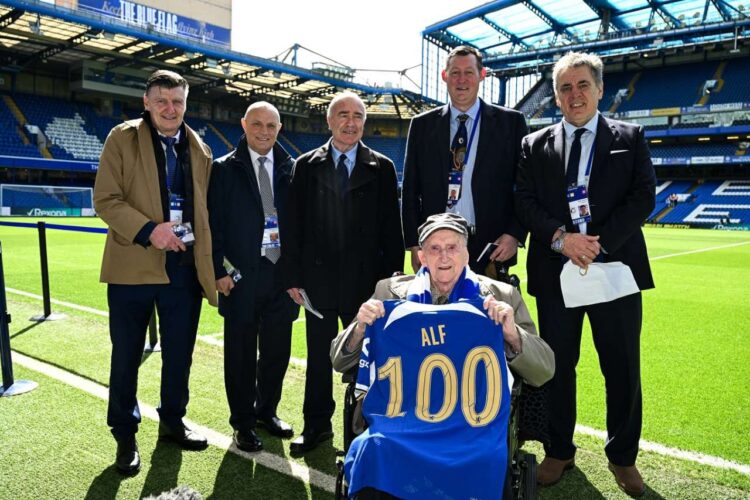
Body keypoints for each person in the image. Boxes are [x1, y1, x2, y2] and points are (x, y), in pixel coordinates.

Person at [514, 51, 656, 497]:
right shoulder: (534, 144)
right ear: (555, 96)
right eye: (564, 87)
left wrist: (597, 243)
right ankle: (559, 450)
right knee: (558, 367)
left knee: (622, 367)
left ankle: (623, 457)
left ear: (599, 89)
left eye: (582, 85)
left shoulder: (629, 137)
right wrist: (562, 239)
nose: (573, 94)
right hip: (557, 272)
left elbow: (642, 198)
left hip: (613, 271)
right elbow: (524, 200)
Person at [94, 70, 217, 475]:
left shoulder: (199, 148)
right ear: (146, 102)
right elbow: (106, 200)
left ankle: (172, 421)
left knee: (179, 355)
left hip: (182, 271)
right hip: (132, 269)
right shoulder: (121, 137)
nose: (170, 109)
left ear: (186, 104)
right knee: (126, 356)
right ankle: (125, 435)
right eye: (162, 100)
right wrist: (151, 230)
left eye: (177, 101)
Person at [282, 91, 404, 455]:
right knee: (319, 359)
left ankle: (366, 429)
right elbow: (292, 225)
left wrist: (391, 280)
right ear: (329, 121)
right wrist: (291, 275)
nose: (350, 123)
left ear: (363, 123)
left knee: (368, 361)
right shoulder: (305, 164)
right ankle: (316, 426)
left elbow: (390, 229)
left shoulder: (382, 166)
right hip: (318, 282)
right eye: (343, 115)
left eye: (357, 116)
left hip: (365, 285)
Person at [331, 212, 554, 388]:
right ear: (422, 257)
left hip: (474, 422)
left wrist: (513, 336)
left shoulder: (502, 296)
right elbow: (339, 361)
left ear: (466, 254)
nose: (444, 256)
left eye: (452, 247)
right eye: (434, 249)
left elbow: (544, 371)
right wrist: (360, 330)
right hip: (402, 415)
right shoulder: (388, 292)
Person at [208, 102, 299, 453]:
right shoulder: (224, 169)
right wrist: (220, 271)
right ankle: (242, 423)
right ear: (244, 124)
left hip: (281, 277)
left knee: (277, 352)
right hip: (241, 277)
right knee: (242, 355)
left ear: (279, 128)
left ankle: (267, 412)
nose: (264, 131)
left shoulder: (292, 168)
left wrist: (297, 274)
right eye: (257, 124)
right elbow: (212, 224)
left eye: (271, 125)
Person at [401, 45, 528, 277]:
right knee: (438, 313)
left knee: (490, 312)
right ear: (444, 76)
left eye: (469, 72)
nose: (461, 79)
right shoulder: (422, 125)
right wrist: (413, 244)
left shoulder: (511, 123)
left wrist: (514, 234)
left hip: (492, 247)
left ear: (482, 75)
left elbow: (524, 187)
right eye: (455, 72)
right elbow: (410, 189)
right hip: (435, 243)